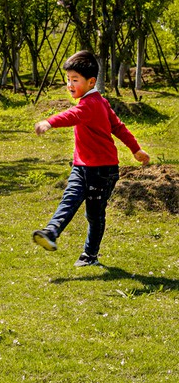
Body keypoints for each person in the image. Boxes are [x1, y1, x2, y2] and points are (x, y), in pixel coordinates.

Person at [32, 50, 150, 266]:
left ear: (91, 82)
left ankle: (90, 255)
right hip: (82, 166)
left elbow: (76, 116)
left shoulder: (92, 104)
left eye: (74, 80)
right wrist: (136, 150)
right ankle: (51, 231)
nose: (69, 85)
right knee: (70, 198)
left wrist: (50, 122)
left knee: (94, 215)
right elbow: (118, 127)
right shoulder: (99, 102)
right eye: (68, 79)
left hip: (102, 171)